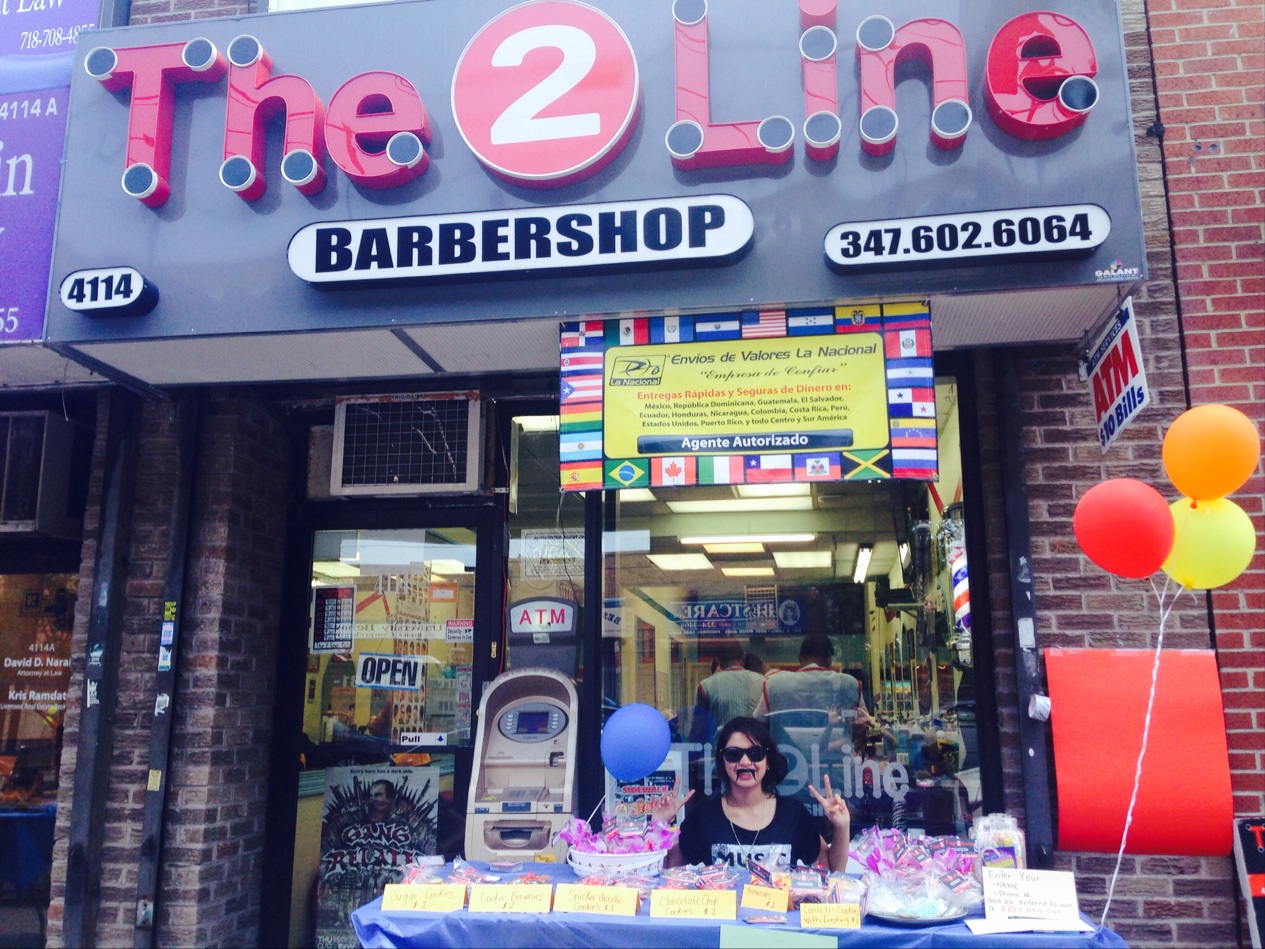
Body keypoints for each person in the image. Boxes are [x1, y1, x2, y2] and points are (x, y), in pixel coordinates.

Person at [649, 717, 852, 871]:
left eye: (755, 754)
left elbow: (834, 871)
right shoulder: (703, 816)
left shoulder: (793, 815)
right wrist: (658, 827)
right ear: (722, 762)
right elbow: (669, 872)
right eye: (734, 754)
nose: (745, 762)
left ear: (768, 760)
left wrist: (842, 827)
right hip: (721, 924)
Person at [754, 633, 869, 747]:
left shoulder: (774, 684)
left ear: (799, 657)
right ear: (830, 659)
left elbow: (758, 724)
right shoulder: (849, 683)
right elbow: (862, 724)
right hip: (839, 759)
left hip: (788, 758)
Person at [692, 642, 764, 737]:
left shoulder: (705, 686)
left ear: (717, 659)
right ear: (743, 657)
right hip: (754, 747)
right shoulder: (762, 682)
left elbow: (699, 727)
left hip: (720, 748)